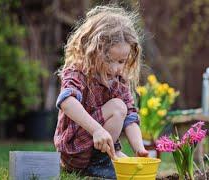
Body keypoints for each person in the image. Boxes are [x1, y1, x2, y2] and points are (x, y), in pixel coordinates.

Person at [54, 5, 149, 179]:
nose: (114, 68)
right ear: (92, 50)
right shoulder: (79, 71)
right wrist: (97, 130)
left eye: (121, 61)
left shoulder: (119, 80)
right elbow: (66, 101)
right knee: (117, 107)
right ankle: (99, 163)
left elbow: (130, 117)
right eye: (108, 60)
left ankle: (103, 160)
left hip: (100, 147)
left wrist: (139, 148)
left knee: (133, 171)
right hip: (74, 149)